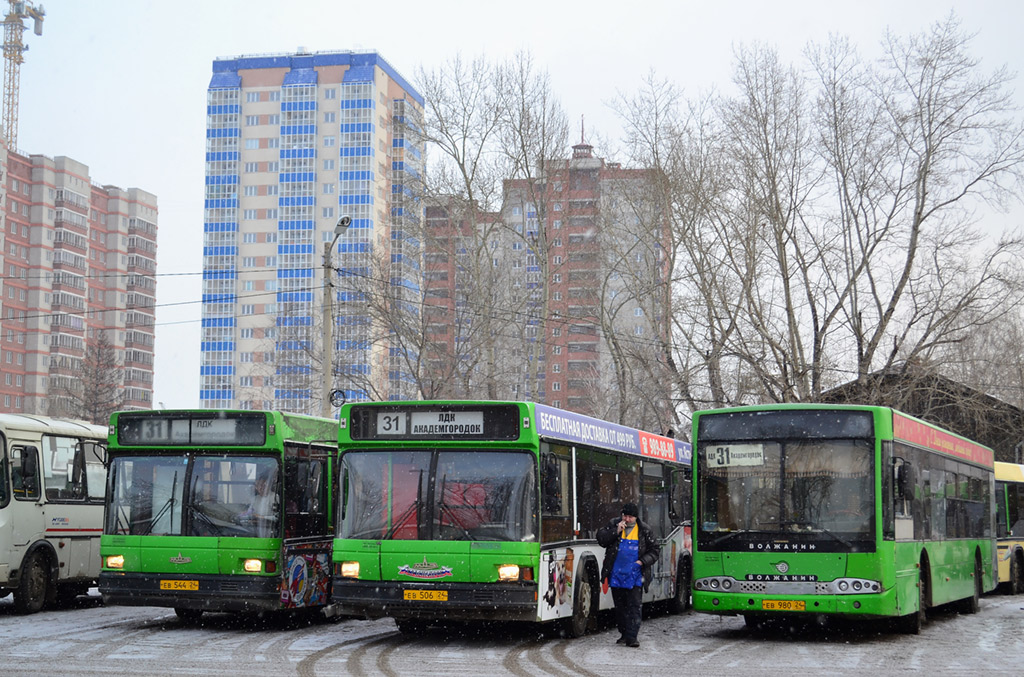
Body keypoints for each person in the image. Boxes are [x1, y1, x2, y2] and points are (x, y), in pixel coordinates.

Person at [597, 502, 660, 648]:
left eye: (630, 516)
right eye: (625, 515)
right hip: (616, 575)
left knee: (634, 606)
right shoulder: (614, 524)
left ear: (636, 517)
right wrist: (616, 531)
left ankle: (632, 637)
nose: (627, 519)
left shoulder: (644, 530)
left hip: (635, 575)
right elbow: (601, 539)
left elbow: (655, 550)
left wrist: (641, 562)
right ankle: (624, 634)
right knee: (620, 607)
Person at [237, 469, 279, 537]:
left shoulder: (274, 497)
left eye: (264, 484)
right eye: (259, 485)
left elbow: (277, 518)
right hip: (255, 531)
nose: (262, 487)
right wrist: (244, 514)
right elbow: (250, 512)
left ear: (269, 485)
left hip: (270, 531)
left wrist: (262, 517)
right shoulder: (255, 499)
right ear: (256, 487)